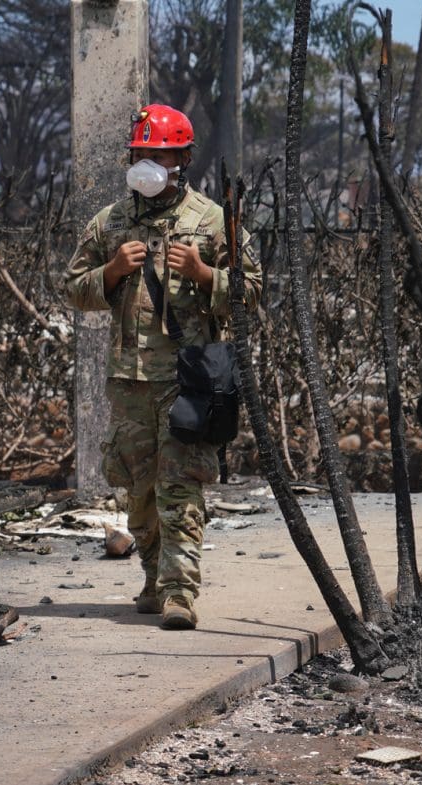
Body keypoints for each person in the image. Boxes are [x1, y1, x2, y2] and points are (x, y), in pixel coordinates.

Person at [62, 104, 262, 630]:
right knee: (139, 488)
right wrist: (111, 271)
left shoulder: (214, 220)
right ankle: (152, 580)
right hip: (129, 379)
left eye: (160, 154)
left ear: (182, 160)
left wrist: (204, 274)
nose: (147, 162)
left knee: (180, 485)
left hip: (188, 377)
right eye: (141, 153)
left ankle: (180, 593)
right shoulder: (109, 222)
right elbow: (73, 289)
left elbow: (253, 292)